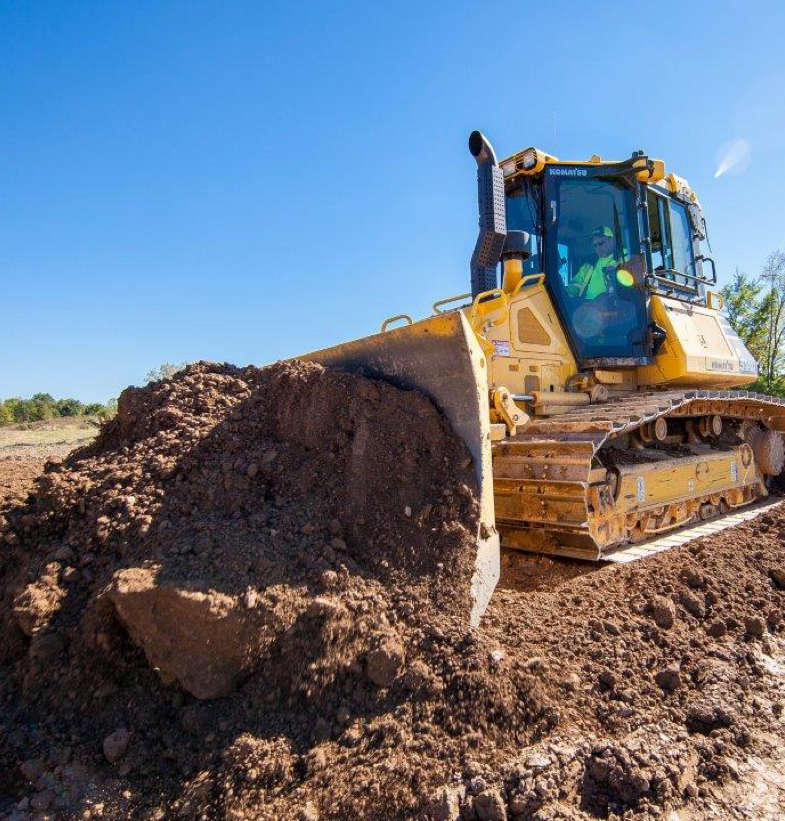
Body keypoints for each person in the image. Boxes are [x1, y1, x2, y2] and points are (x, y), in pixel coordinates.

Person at [568, 226, 624, 300]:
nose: (598, 248)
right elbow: (574, 284)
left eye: (601, 243)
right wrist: (567, 292)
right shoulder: (589, 265)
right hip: (586, 306)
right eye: (595, 245)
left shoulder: (624, 258)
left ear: (612, 240)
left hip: (612, 306)